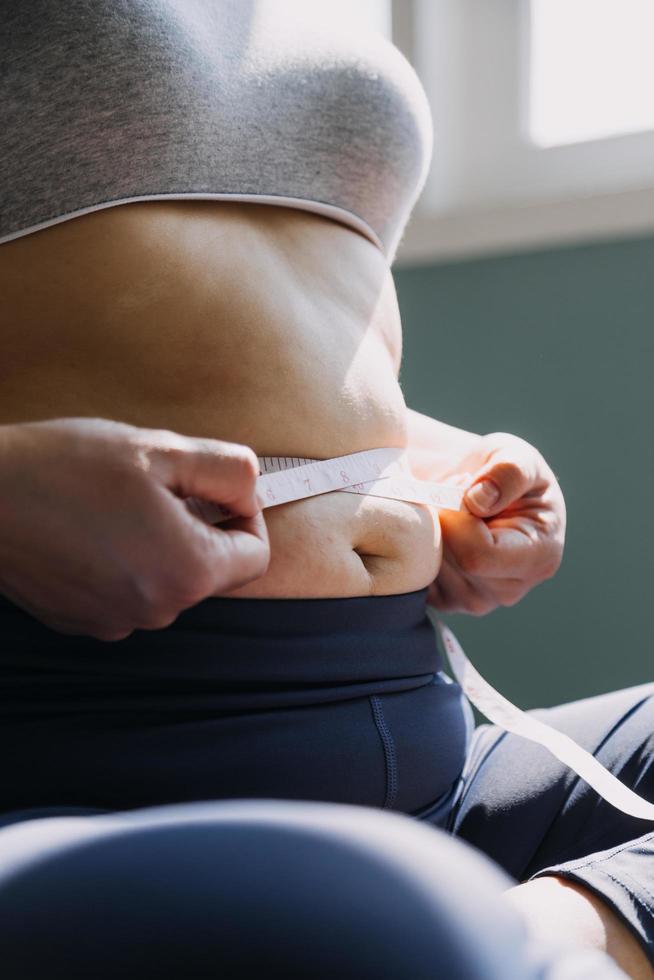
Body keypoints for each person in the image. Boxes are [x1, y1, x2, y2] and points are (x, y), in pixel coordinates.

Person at [0, 3, 652, 976]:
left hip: (434, 751)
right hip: (94, 756)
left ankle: (545, 934)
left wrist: (429, 469)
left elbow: (255, 350)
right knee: (382, 920)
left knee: (412, 923)